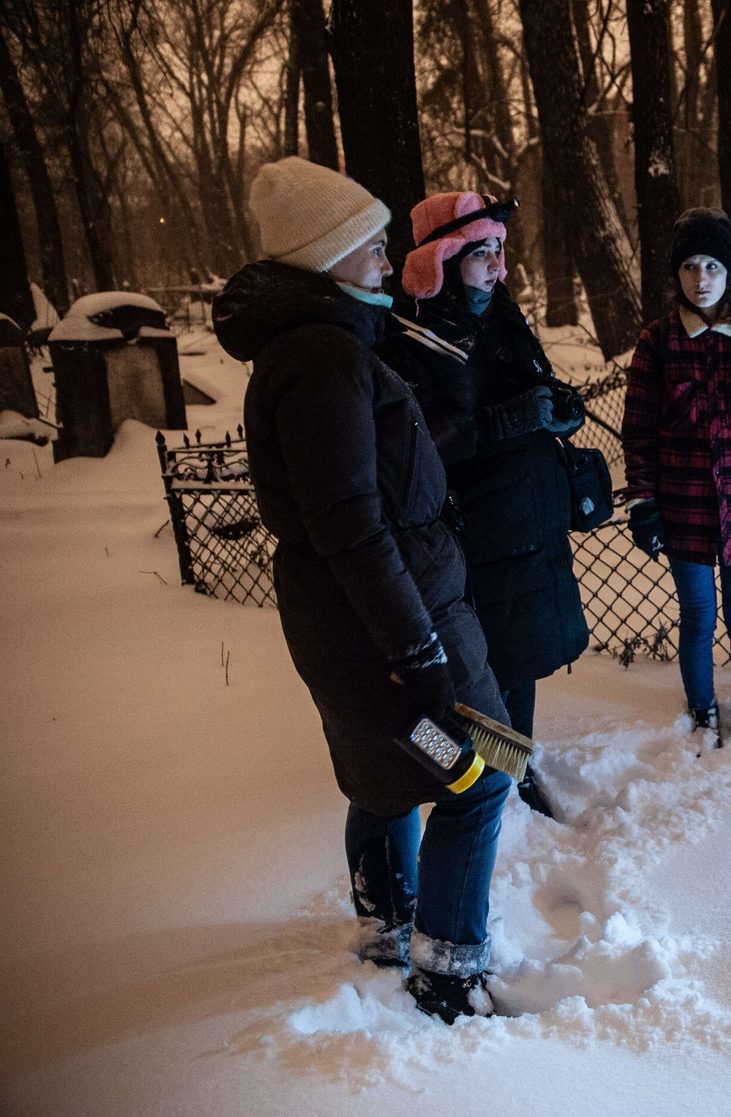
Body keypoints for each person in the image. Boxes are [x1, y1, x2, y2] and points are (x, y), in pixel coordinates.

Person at [213, 157, 511, 1023]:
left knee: (382, 781)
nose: (388, 264)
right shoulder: (320, 361)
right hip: (391, 636)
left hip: (374, 628)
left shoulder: (327, 348)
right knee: (484, 772)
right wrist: (415, 652)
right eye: (374, 251)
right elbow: (349, 523)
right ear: (329, 258)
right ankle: (447, 971)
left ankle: (388, 928)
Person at [376, 192, 588, 818]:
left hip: (525, 524)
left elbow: (531, 379)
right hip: (474, 533)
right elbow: (423, 439)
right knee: (481, 667)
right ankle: (493, 782)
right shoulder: (412, 335)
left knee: (519, 657)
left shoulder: (499, 313)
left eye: (500, 251)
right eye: (482, 254)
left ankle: (514, 768)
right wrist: (511, 421)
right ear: (443, 260)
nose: (499, 268)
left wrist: (558, 402)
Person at [621, 208, 731, 751]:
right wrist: (644, 503)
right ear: (676, 274)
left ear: (730, 273)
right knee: (697, 617)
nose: (700, 279)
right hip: (684, 510)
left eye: (712, 267)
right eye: (690, 267)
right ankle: (701, 711)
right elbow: (639, 432)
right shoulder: (656, 342)